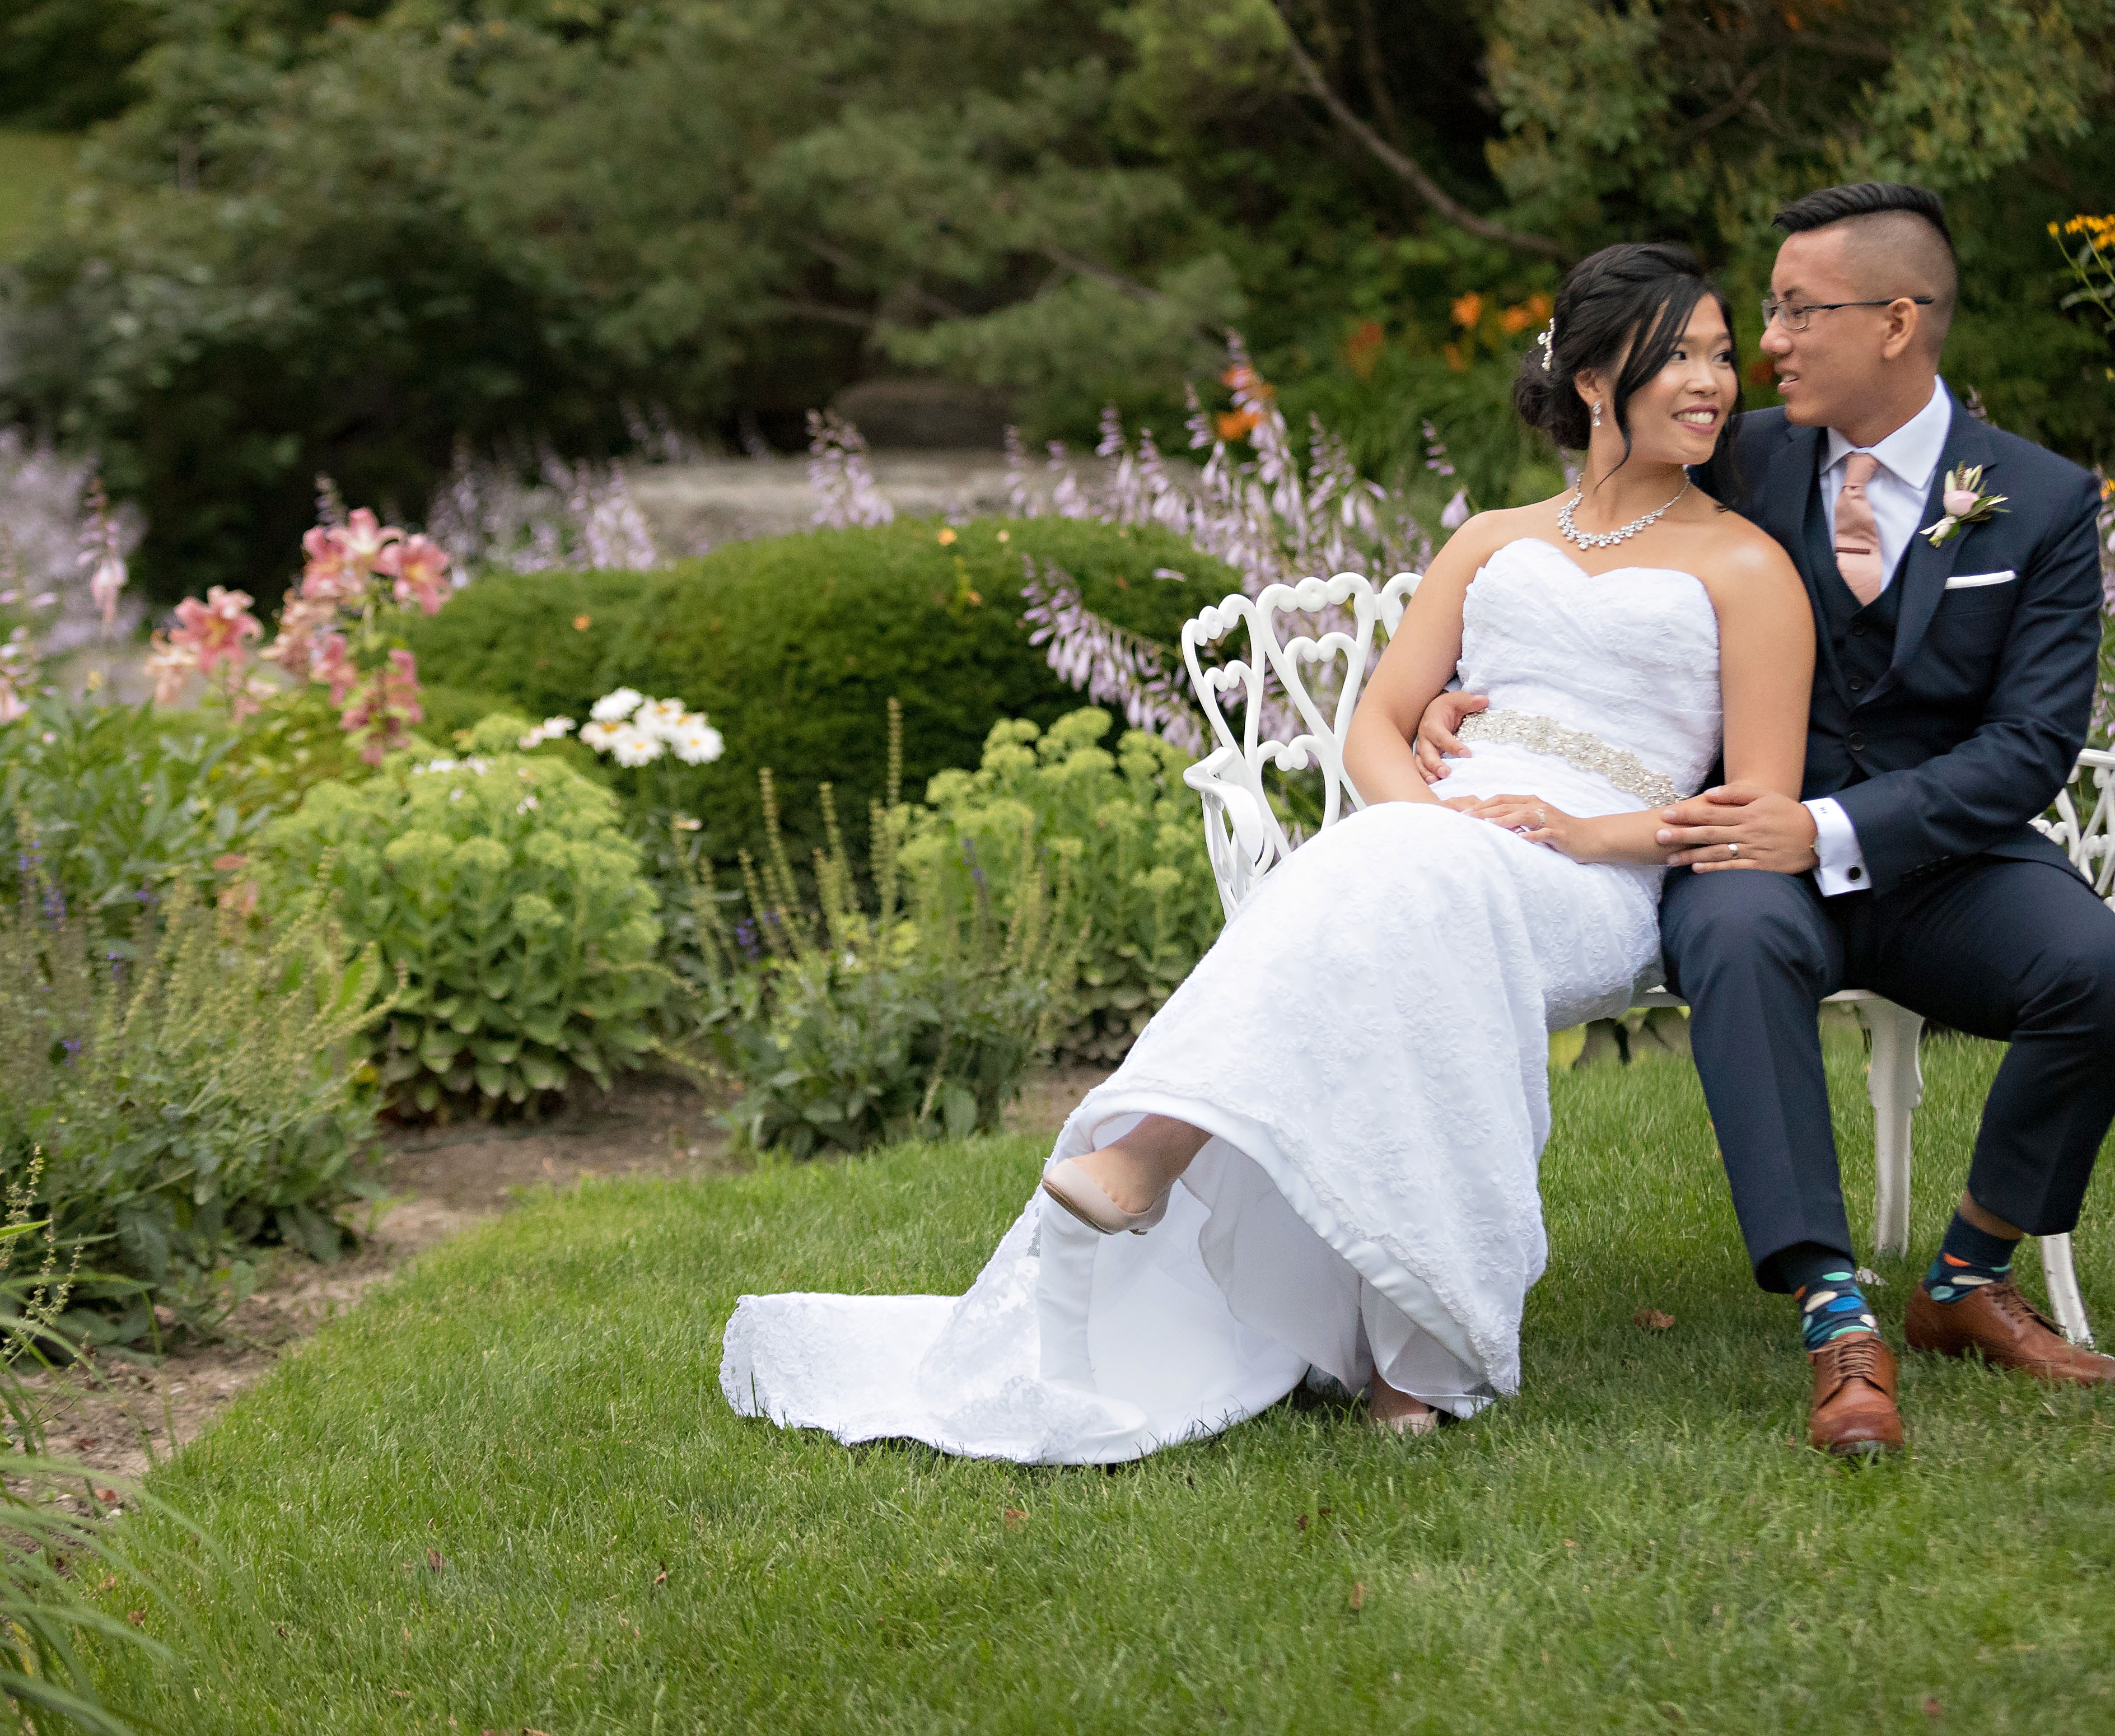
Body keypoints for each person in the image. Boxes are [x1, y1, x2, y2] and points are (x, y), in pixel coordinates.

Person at [718, 242, 1817, 1461]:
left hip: (1603, 871)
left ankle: (1152, 1150)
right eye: (1683, 358)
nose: (1716, 380)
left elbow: (1757, 801)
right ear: (1599, 381)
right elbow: (1372, 727)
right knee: (1399, 874)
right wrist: (1425, 814)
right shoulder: (1492, 538)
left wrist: (1576, 828)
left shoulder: (1744, 562)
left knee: (1386, 878)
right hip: (1442, 845)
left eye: (1723, 355)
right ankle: (1411, 1358)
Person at [1420, 183, 2115, 1459]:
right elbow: (1573, 566)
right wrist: (1446, 702)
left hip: (1938, 859)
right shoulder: (1728, 447)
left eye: (1794, 311)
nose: (1759, 345)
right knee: (1741, 942)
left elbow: (2028, 748)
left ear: (1895, 321)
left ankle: (1965, 1277)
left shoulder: (2034, 502)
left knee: (2103, 974)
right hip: (1727, 850)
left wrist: (1820, 827)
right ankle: (1833, 1315)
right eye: (1760, 312)